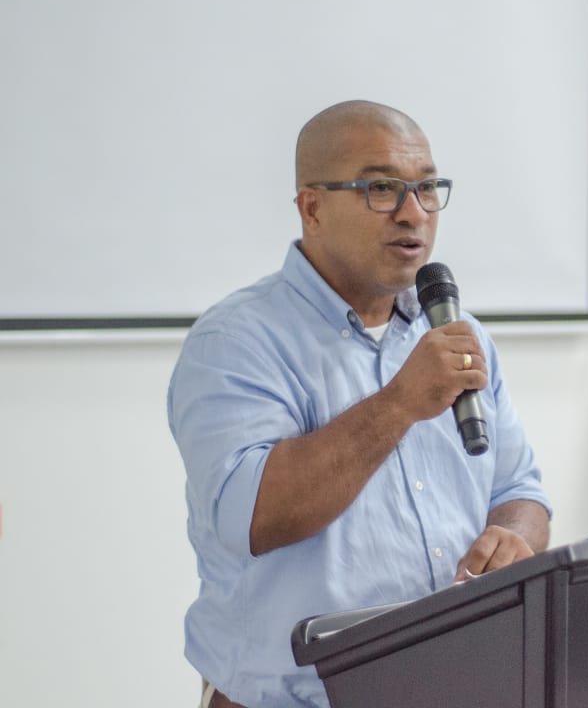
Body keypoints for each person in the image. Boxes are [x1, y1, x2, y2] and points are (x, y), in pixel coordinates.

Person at [168, 100, 551, 708]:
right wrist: (400, 402)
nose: (413, 213)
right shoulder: (236, 342)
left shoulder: (455, 331)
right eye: (381, 189)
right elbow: (255, 517)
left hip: (458, 686)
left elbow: (519, 489)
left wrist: (512, 537)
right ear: (312, 207)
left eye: (427, 189)